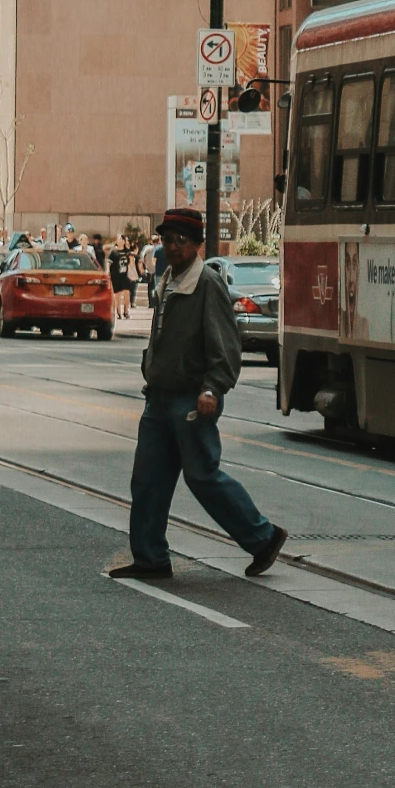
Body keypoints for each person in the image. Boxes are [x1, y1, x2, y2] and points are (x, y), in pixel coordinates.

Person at [108, 208, 286, 583]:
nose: (172, 247)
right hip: (159, 397)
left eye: (180, 241)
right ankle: (151, 558)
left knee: (202, 475)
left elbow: (226, 347)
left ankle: (263, 538)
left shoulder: (206, 283)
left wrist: (212, 388)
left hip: (191, 398)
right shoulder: (169, 278)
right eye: (167, 240)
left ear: (196, 245)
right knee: (148, 480)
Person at [108, 238, 132, 322]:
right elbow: (108, 262)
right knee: (117, 295)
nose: (121, 241)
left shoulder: (127, 251)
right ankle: (118, 312)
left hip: (125, 276)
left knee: (126, 293)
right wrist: (108, 272)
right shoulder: (113, 251)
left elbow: (131, 262)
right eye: (119, 239)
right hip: (116, 275)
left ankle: (126, 311)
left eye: (122, 239)